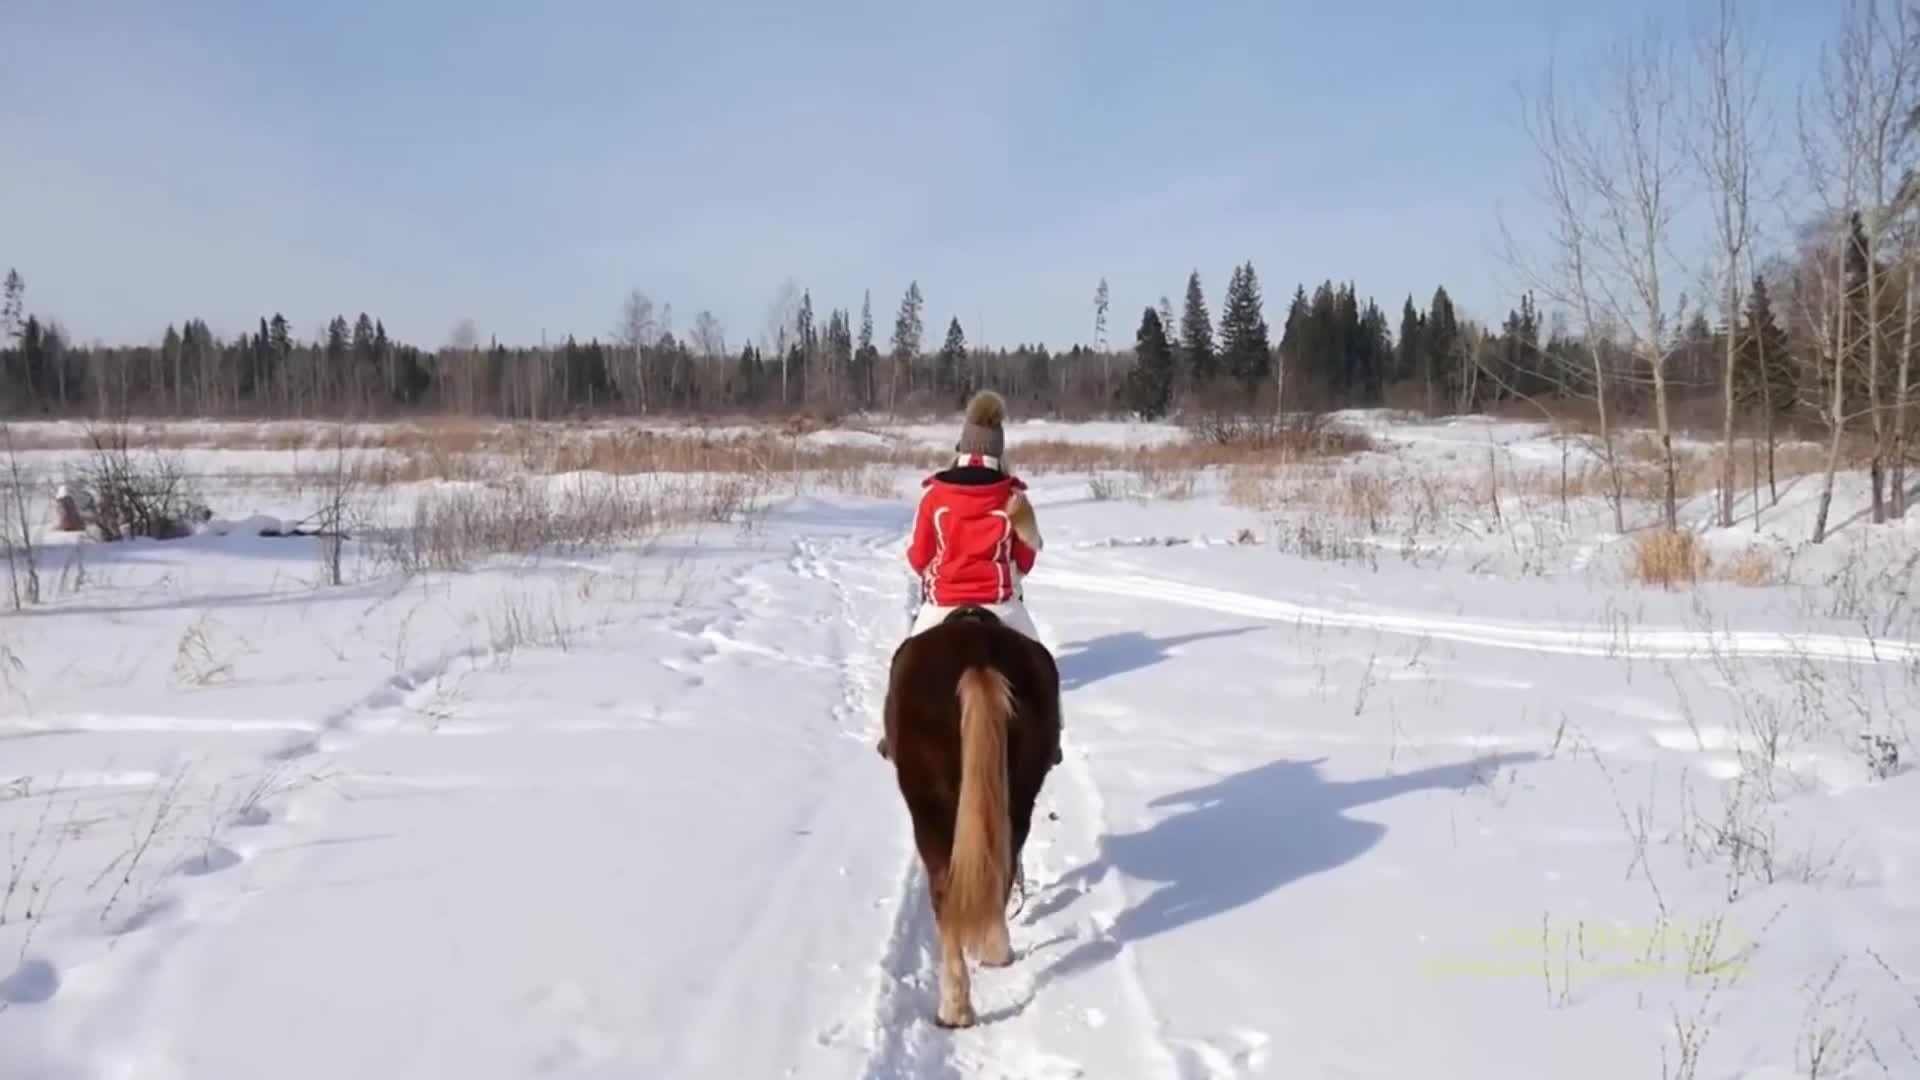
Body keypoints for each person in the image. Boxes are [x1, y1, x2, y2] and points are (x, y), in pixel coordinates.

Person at [903, 389, 1043, 641]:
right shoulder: (1015, 497)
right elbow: (1024, 561)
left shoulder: (934, 496)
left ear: (962, 448)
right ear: (999, 451)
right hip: (1000, 603)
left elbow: (919, 557)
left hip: (942, 603)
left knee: (903, 667)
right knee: (1039, 665)